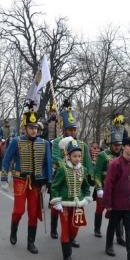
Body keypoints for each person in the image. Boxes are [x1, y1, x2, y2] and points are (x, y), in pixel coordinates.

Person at [1, 103, 52, 254]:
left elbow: (47, 163)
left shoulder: (45, 143)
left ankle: (31, 242)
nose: (33, 130)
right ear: (25, 128)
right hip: (20, 180)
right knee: (18, 210)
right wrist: (4, 178)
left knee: (33, 212)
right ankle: (13, 230)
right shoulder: (16, 141)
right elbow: (6, 160)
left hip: (36, 182)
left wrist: (48, 181)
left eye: (35, 128)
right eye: (31, 127)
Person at [50, 100, 93, 245]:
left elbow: (86, 161)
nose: (73, 132)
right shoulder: (57, 142)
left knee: (76, 209)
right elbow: (55, 158)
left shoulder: (82, 145)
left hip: (78, 176)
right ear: (64, 130)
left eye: (74, 129)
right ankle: (54, 228)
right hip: (62, 175)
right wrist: (66, 163)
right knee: (57, 206)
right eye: (70, 130)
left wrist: (88, 176)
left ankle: (71, 236)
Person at [50, 138, 91, 260]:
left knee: (75, 229)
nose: (77, 158)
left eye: (79, 156)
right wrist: (56, 201)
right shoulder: (62, 169)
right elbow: (55, 186)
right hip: (65, 205)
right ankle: (67, 256)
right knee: (66, 230)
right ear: (68, 155)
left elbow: (85, 186)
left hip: (78, 205)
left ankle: (69, 243)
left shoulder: (82, 169)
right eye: (74, 156)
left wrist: (87, 197)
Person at [103, 136, 130, 260]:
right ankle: (109, 245)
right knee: (113, 224)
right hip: (117, 203)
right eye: (129, 146)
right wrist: (108, 203)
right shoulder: (115, 164)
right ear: (123, 147)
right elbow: (108, 184)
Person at [93, 115, 126, 244]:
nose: (118, 147)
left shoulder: (123, 157)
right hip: (104, 187)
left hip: (117, 190)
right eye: (115, 144)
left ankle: (119, 236)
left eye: (119, 145)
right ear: (110, 143)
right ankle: (97, 228)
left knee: (118, 213)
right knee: (100, 209)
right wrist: (99, 188)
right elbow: (97, 173)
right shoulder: (103, 155)